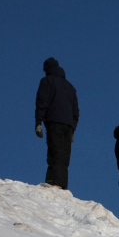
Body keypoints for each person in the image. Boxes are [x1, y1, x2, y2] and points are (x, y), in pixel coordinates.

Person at [34, 57, 79, 189]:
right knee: (64, 156)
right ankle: (63, 185)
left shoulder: (46, 81)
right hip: (68, 126)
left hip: (54, 121)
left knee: (55, 152)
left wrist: (38, 122)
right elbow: (76, 112)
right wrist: (73, 128)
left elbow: (42, 102)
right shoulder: (71, 88)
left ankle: (54, 182)